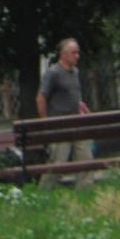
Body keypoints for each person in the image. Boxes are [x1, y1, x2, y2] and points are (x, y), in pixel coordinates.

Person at [37, 39, 93, 171]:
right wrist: (45, 121)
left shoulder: (76, 72)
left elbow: (70, 93)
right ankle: (47, 185)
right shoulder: (53, 73)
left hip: (77, 122)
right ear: (63, 54)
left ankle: (85, 184)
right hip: (59, 124)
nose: (77, 56)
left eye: (78, 53)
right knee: (58, 162)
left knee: (85, 159)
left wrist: (80, 105)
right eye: (74, 53)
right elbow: (41, 97)